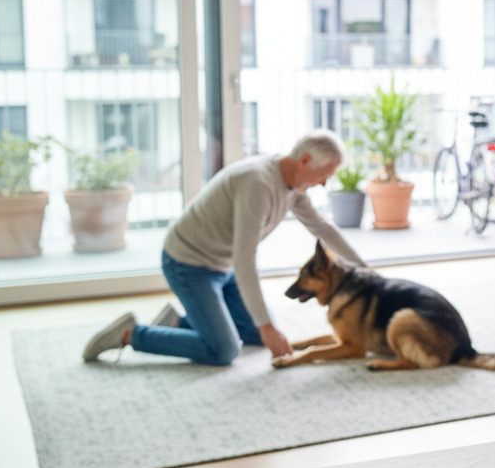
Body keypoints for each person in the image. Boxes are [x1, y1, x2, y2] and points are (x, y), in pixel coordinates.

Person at [82, 130, 366, 366]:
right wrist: (266, 325)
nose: (325, 183)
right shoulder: (258, 183)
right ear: (304, 160)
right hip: (189, 265)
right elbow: (245, 259)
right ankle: (132, 334)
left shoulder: (294, 186)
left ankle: (176, 324)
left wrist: (364, 270)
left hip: (223, 266)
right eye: (324, 174)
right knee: (224, 350)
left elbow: (322, 228)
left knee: (254, 334)